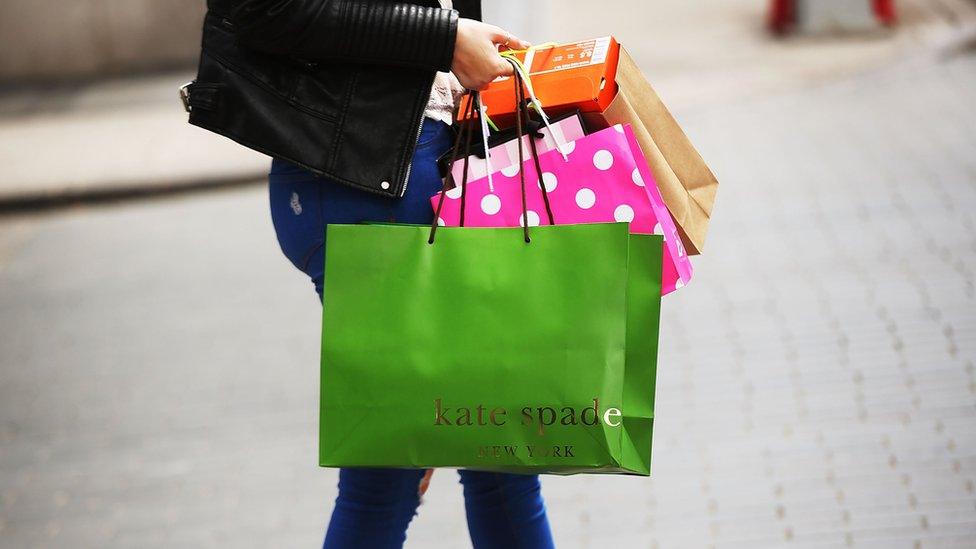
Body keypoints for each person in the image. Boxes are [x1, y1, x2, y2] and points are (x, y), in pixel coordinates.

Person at [184, 1, 555, 547]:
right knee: (469, 464)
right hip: (378, 177)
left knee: (474, 458)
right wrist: (445, 38)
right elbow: (263, 9)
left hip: (392, 168)